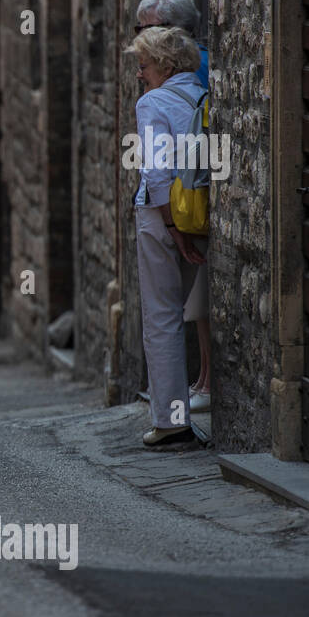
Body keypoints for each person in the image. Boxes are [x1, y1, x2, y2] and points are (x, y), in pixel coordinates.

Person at [126, 26, 207, 447]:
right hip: (201, 210)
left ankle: (171, 422)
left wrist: (173, 229)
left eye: (144, 65)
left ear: (165, 64)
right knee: (203, 310)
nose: (141, 74)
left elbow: (155, 172)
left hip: (163, 217)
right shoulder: (203, 93)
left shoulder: (153, 102)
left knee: (162, 316)